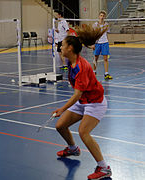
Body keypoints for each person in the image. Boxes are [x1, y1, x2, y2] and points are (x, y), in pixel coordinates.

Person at [53, 33, 111, 179]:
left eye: (63, 45)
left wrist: (62, 109)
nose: (61, 47)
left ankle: (104, 168)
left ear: (70, 48)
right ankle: (73, 149)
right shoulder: (70, 62)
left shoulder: (81, 67)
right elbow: (79, 96)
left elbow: (77, 94)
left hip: (95, 102)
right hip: (84, 101)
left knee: (83, 132)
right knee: (60, 125)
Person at [92, 10, 112, 80]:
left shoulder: (106, 25)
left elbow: (107, 34)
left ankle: (106, 73)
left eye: (103, 16)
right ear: (98, 16)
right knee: (95, 58)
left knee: (105, 59)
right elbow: (93, 35)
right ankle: (94, 71)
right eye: (101, 15)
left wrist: (108, 42)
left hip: (105, 43)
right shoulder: (95, 25)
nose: (102, 17)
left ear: (105, 17)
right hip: (97, 43)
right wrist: (93, 44)